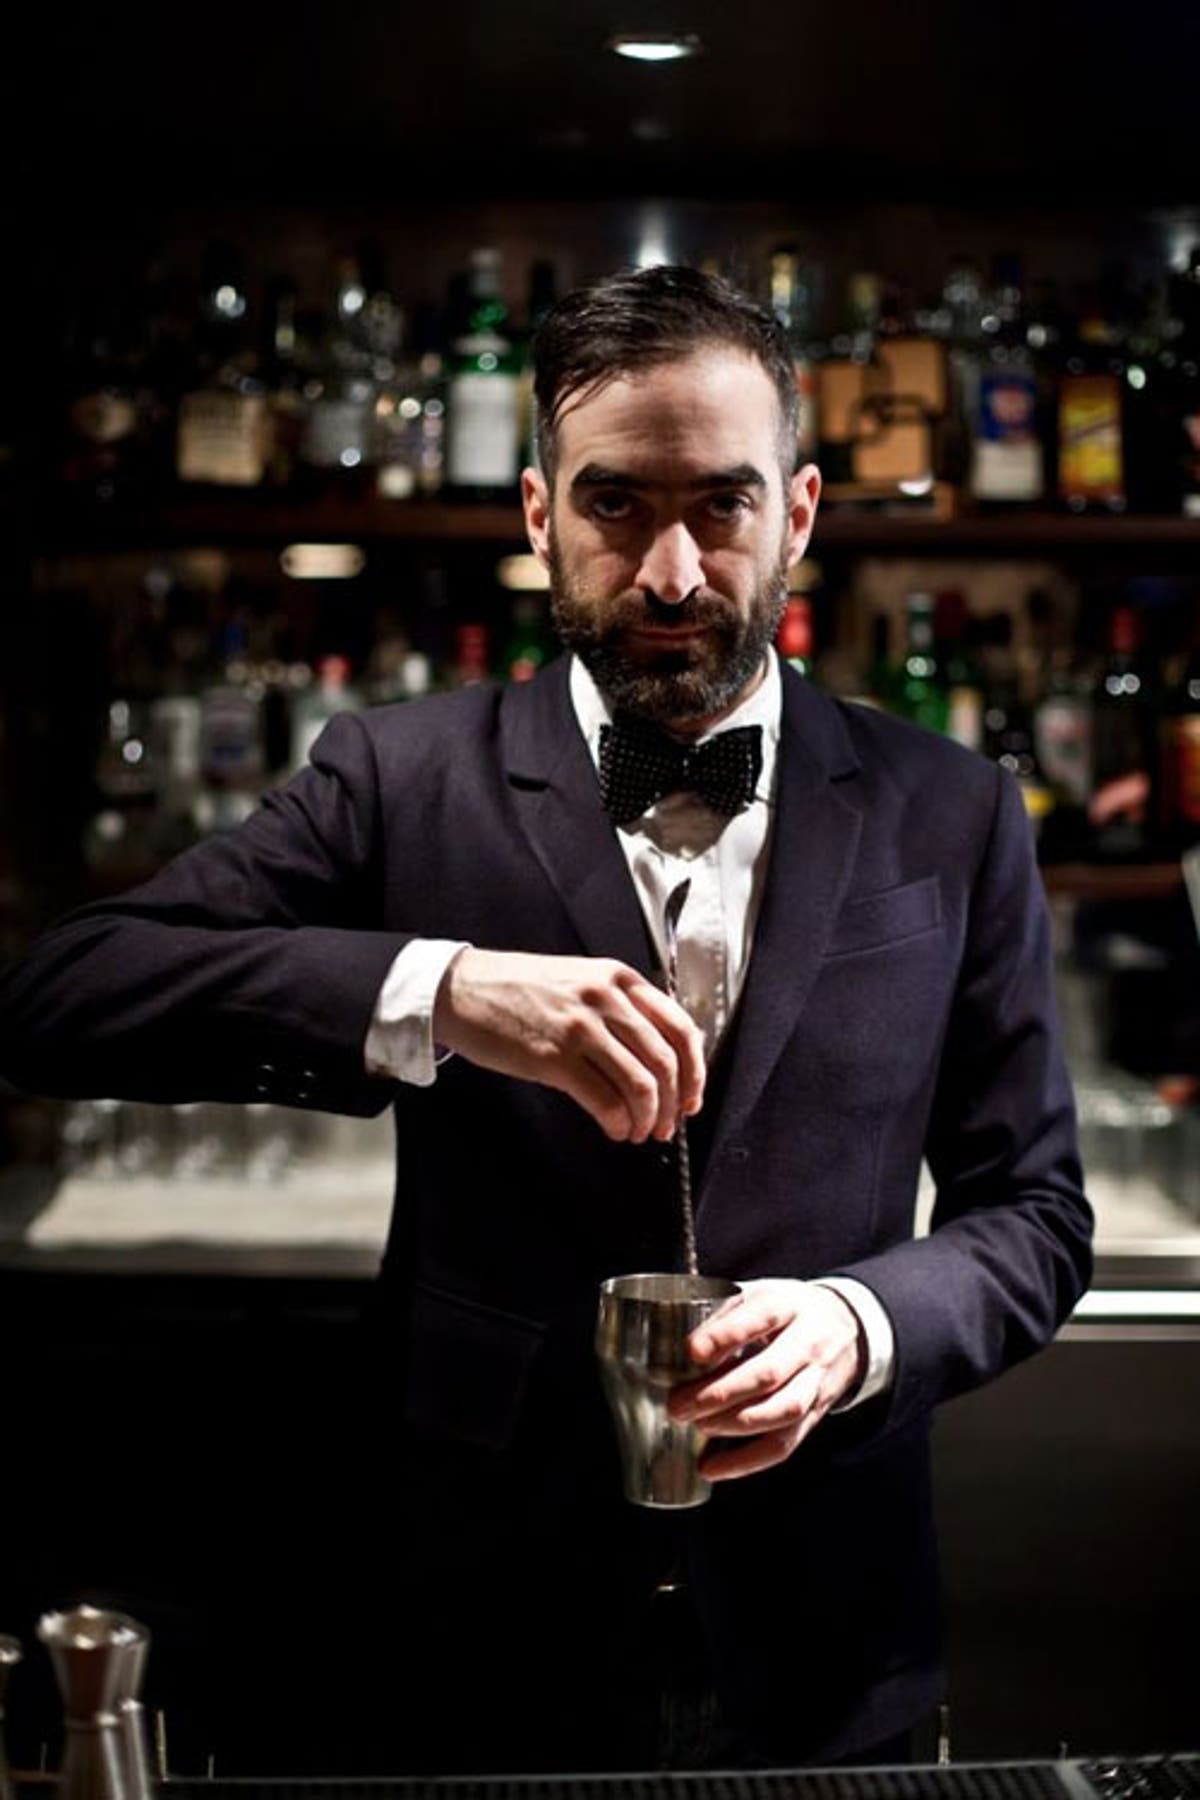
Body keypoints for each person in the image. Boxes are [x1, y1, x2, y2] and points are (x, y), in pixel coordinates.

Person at [0, 266, 1092, 1774]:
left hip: (832, 1630)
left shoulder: (954, 811)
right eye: (615, 507)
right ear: (535, 517)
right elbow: (61, 994)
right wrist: (435, 988)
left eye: (720, 505)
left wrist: (863, 1325)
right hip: (472, 1629)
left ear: (803, 512)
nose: (669, 572)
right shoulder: (396, 775)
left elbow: (1035, 1215)